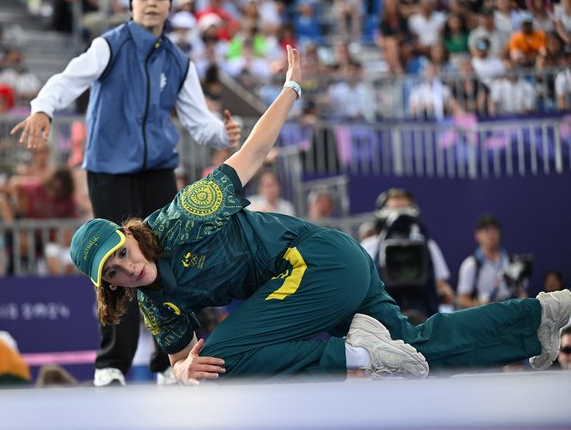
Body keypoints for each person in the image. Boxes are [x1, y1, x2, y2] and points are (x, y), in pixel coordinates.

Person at [70, 45, 571, 384]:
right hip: (330, 273)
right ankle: (540, 318)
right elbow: (185, 364)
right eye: (113, 273)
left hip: (315, 262)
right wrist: (178, 373)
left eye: (122, 253)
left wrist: (291, 88)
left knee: (228, 358)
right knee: (419, 353)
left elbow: (249, 156)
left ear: (128, 234)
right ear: (109, 286)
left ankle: (360, 358)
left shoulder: (181, 217)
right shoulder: (153, 303)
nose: (127, 268)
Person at [11, 0, 241, 387]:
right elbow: (68, 79)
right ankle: (111, 363)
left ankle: (168, 360)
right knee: (113, 267)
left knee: (163, 264)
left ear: (170, 6)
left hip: (158, 171)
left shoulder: (178, 60)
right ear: (131, 5)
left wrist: (223, 132)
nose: (152, 3)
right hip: (109, 168)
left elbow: (198, 121)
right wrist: (43, 107)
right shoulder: (108, 46)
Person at [361, 188, 455, 317]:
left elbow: (439, 284)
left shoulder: (428, 245)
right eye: (394, 209)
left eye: (404, 209)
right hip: (381, 318)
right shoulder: (368, 246)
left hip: (420, 317)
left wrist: (445, 293)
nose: (399, 215)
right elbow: (361, 285)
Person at [457, 214, 529, 309]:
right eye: (487, 230)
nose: (492, 234)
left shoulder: (513, 260)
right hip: (484, 316)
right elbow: (462, 299)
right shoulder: (471, 264)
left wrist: (522, 306)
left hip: (510, 313)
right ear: (477, 235)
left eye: (495, 229)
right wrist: (480, 307)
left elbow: (522, 293)